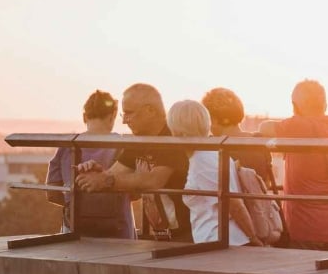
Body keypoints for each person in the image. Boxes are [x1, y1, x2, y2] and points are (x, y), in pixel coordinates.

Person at [75, 84, 193, 242]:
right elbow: (113, 174)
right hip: (163, 235)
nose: (124, 121)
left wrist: (105, 180)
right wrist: (98, 172)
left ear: (150, 110)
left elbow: (154, 180)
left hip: (189, 234)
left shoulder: (171, 138)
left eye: (129, 113)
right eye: (123, 114)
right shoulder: (139, 141)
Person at [166, 100, 261, 247]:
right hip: (224, 240)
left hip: (218, 242)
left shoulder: (202, 160)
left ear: (178, 131)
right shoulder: (212, 153)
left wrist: (254, 238)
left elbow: (233, 204)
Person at [45, 90, 136, 238]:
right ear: (113, 115)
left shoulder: (66, 146)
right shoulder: (124, 146)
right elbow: (136, 192)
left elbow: (52, 194)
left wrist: (80, 205)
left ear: (84, 116)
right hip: (118, 233)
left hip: (75, 232)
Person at [276, 80, 328, 251]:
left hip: (302, 232)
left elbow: (264, 127)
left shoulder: (295, 126)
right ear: (325, 104)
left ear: (295, 107)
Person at [201, 87, 274, 184]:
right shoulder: (259, 141)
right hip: (256, 193)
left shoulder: (211, 148)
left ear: (213, 120)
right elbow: (267, 184)